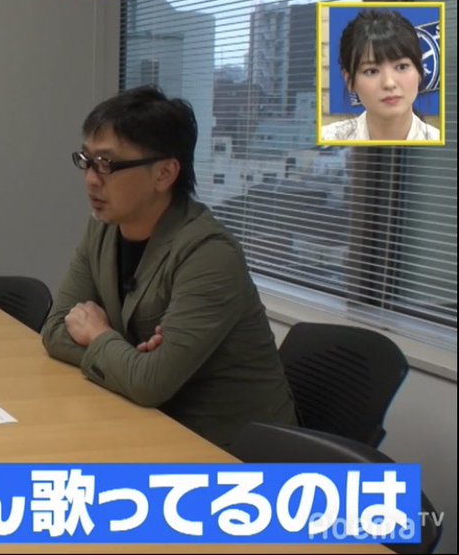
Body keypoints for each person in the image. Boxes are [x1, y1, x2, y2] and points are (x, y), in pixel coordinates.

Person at [41, 86, 297, 450]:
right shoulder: (103, 228)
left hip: (229, 450)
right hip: (147, 425)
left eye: (107, 164)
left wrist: (99, 336)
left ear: (164, 174)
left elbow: (150, 384)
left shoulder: (209, 254)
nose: (91, 179)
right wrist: (131, 362)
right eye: (87, 160)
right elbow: (54, 330)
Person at [320, 8, 441, 142]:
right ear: (349, 80)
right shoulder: (327, 139)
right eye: (371, 71)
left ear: (419, 72)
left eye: (402, 67)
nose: (389, 83)